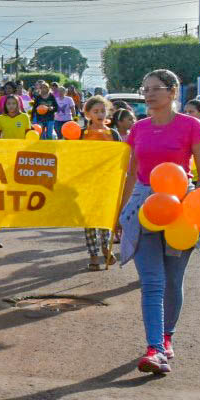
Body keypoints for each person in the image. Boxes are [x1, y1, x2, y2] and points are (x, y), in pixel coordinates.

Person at [115, 69, 200, 375]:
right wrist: (120, 212)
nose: (148, 94)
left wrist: (199, 190)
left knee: (172, 280)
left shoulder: (191, 125)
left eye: (155, 88)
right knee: (152, 282)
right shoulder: (139, 129)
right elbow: (132, 174)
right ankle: (155, 348)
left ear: (172, 92)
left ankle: (167, 336)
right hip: (144, 208)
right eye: (144, 89)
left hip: (180, 208)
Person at [78, 96, 118, 270]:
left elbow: (120, 156)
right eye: (96, 111)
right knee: (89, 220)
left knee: (105, 216)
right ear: (88, 114)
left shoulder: (113, 134)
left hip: (107, 181)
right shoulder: (81, 134)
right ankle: (93, 255)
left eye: (103, 111)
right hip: (86, 182)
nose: (100, 114)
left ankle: (106, 248)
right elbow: (72, 156)